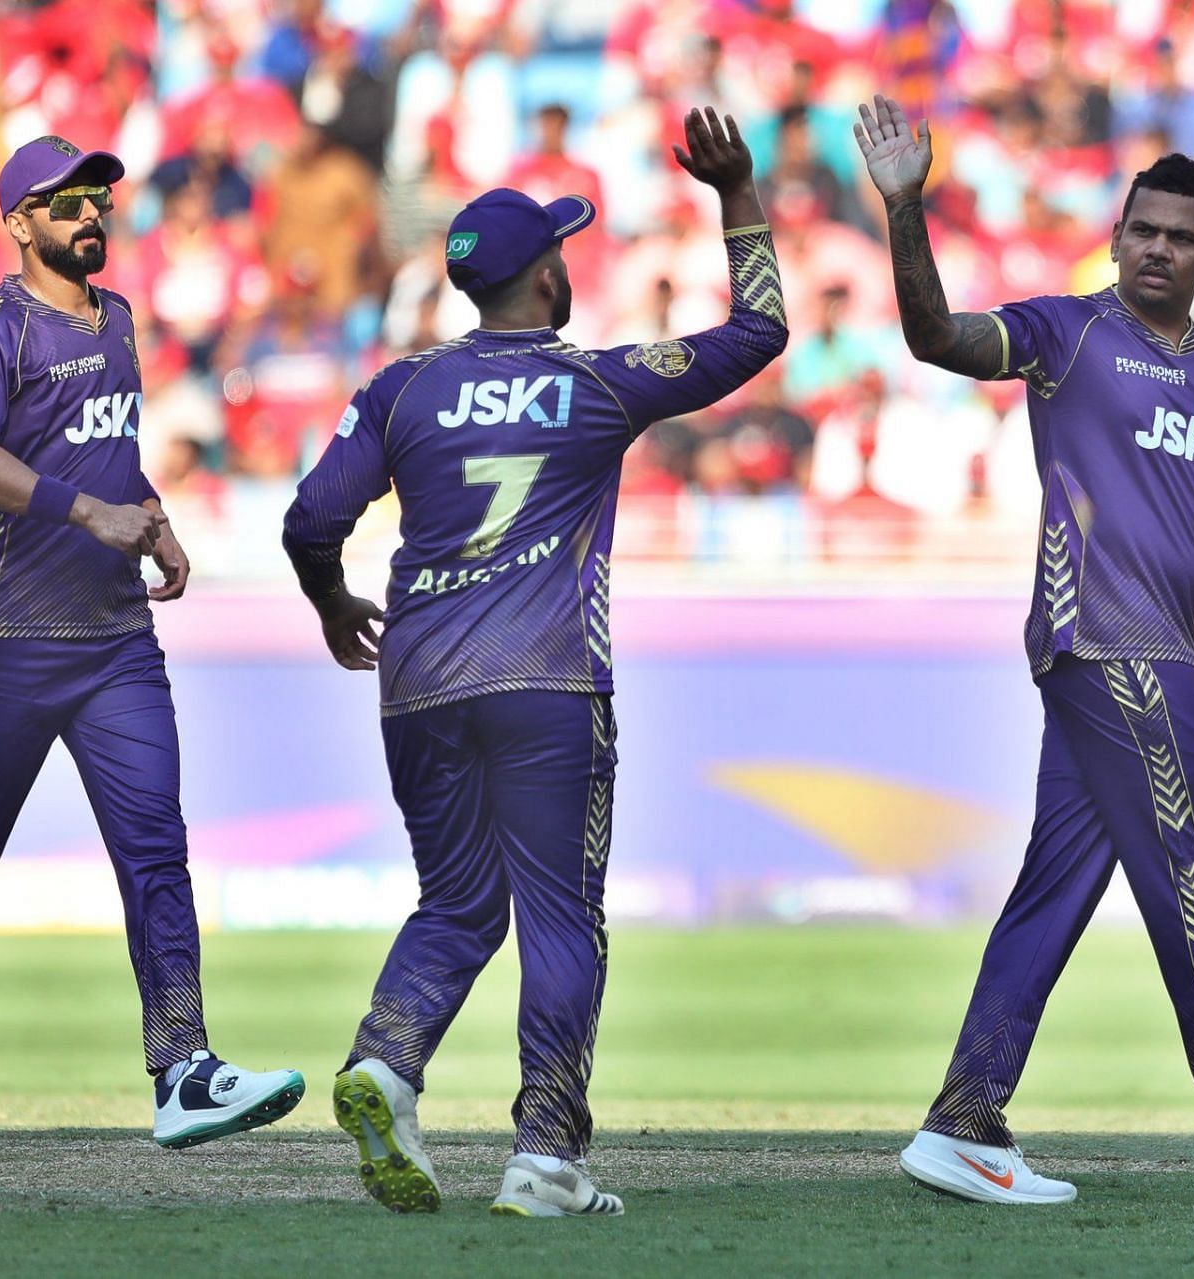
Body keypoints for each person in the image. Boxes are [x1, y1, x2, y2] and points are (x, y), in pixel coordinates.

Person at [853, 95, 1194, 1203]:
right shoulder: (1066, 335)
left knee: (1058, 885)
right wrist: (907, 210)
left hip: (1154, 651)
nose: (1158, 248)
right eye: (1142, 229)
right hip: (1108, 644)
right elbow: (935, 337)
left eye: (1181, 237)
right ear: (1115, 237)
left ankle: (964, 1121)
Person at [282, 107, 786, 1217]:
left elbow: (311, 520)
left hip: (415, 682)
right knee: (561, 916)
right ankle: (545, 1156)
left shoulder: (402, 387)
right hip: (548, 681)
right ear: (549, 277)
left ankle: (385, 1063)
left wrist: (331, 607)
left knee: (458, 903)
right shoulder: (597, 383)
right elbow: (759, 334)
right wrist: (735, 192)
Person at [0, 135, 304, 1152]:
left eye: (96, 198)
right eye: (63, 204)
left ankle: (184, 1069)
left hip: (113, 638)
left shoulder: (120, 320)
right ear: (19, 224)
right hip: (5, 633)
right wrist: (84, 513)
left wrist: (150, 514)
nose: (88, 216)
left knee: (157, 850)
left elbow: (110, 454)